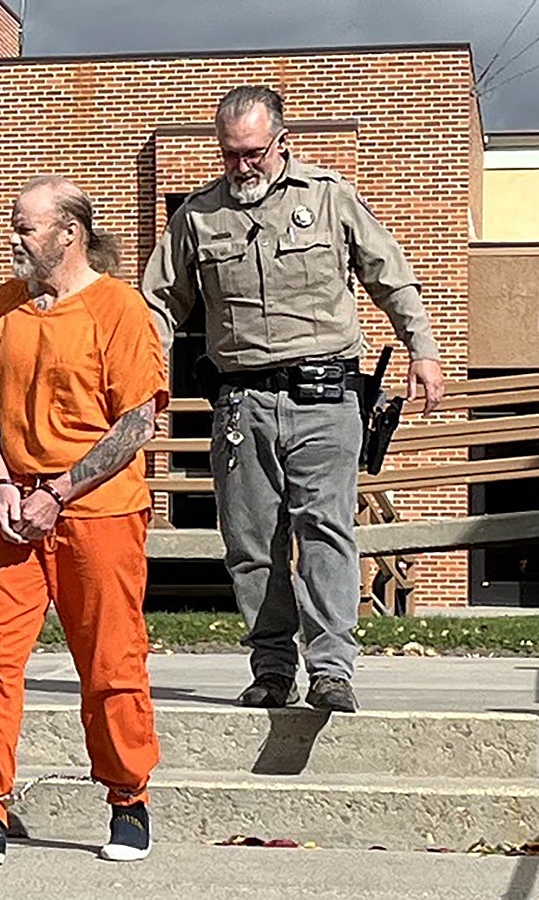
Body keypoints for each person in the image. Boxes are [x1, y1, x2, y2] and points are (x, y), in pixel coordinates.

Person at [142, 86, 444, 714]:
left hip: (324, 399)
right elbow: (158, 304)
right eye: (229, 154)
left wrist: (422, 348)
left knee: (326, 530)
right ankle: (272, 669)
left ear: (282, 144)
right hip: (240, 404)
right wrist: (143, 378)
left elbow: (388, 271)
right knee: (252, 545)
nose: (241, 166)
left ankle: (332, 669)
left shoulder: (328, 198)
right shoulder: (197, 217)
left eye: (252, 152)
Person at [0, 176, 166, 866]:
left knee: (111, 659)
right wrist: (0, 482)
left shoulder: (118, 309)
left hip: (99, 512)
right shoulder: (4, 306)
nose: (13, 238)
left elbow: (136, 422)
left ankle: (127, 800)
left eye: (25, 227)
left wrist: (61, 489)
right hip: (12, 511)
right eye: (14, 225)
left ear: (69, 233)